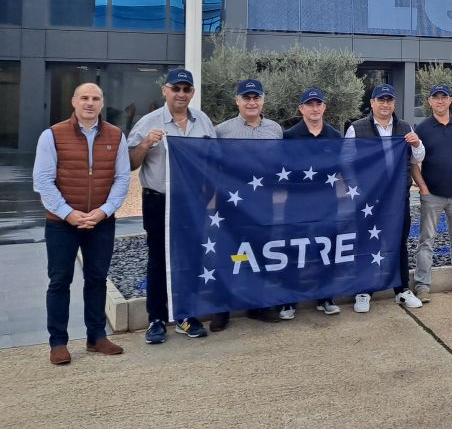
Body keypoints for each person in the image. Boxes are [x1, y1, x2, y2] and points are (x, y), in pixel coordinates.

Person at [33, 83, 130, 365]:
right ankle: (58, 343)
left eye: (96, 98)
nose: (90, 103)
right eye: (84, 98)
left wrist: (104, 211)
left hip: (101, 222)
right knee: (60, 281)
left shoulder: (115, 135)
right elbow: (43, 181)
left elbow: (122, 178)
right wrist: (67, 213)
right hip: (62, 223)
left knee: (97, 279)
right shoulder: (52, 135)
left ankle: (96, 337)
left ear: (102, 103)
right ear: (74, 102)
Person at [128, 69, 216, 343]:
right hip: (159, 200)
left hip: (191, 201)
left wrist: (210, 195)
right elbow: (130, 162)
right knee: (158, 259)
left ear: (192, 93)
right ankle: (156, 319)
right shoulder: (149, 122)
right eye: (175, 88)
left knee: (190, 258)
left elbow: (214, 159)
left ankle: (186, 315)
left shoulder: (202, 122)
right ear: (165, 90)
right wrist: (145, 144)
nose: (181, 94)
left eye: (186, 89)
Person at [344, 84, 426, 311]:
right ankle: (363, 290)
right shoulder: (356, 128)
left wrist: (417, 143)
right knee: (366, 242)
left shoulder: (404, 127)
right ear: (372, 103)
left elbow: (417, 157)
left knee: (398, 242)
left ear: (394, 104)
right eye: (381, 100)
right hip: (368, 200)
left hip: (397, 198)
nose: (385, 104)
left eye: (389, 100)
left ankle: (401, 289)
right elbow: (346, 162)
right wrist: (356, 190)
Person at [212, 78, 284, 330]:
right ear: (237, 101)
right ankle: (222, 307)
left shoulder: (275, 130)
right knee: (227, 253)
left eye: (256, 98)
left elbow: (280, 166)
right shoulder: (221, 131)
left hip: (263, 203)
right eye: (246, 98)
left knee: (260, 253)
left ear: (263, 100)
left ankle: (258, 304)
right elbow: (210, 166)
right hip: (231, 203)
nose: (251, 102)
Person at [411, 84, 452, 301]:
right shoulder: (421, 129)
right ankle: (422, 287)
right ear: (429, 101)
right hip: (432, 196)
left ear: (450, 100)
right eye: (435, 98)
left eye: (444, 97)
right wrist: (422, 186)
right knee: (426, 241)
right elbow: (413, 161)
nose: (440, 101)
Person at [281, 87, 343, 319]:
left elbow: (343, 168)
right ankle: (289, 300)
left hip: (327, 204)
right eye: (310, 104)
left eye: (318, 104)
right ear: (301, 109)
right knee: (294, 250)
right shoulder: (290, 136)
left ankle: (325, 296)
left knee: (325, 250)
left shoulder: (335, 136)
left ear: (324, 107)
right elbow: (281, 169)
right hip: (296, 203)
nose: (315, 109)